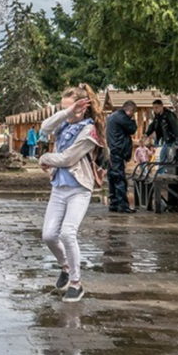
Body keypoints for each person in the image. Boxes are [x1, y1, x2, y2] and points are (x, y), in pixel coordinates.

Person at [38, 85, 105, 302]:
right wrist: (67, 112)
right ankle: (65, 266)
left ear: (84, 107)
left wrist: (46, 158)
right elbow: (44, 128)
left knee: (67, 232)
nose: (67, 113)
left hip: (79, 188)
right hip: (59, 187)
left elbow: (68, 157)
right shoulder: (64, 124)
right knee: (48, 235)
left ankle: (76, 283)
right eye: (64, 108)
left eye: (72, 108)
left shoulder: (89, 130)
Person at [105, 100, 138, 213]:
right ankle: (122, 206)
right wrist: (133, 121)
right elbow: (133, 129)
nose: (133, 116)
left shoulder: (112, 116)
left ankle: (113, 203)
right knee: (119, 179)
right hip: (118, 152)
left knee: (113, 178)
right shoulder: (122, 117)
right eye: (133, 113)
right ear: (130, 110)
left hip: (112, 151)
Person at [145, 99, 178, 166]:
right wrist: (147, 134)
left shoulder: (169, 115)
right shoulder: (157, 116)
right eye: (154, 108)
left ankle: (162, 173)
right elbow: (153, 125)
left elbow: (175, 127)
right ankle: (162, 173)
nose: (155, 109)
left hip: (172, 139)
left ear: (161, 106)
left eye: (157, 107)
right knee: (163, 158)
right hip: (166, 140)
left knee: (166, 158)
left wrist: (177, 141)